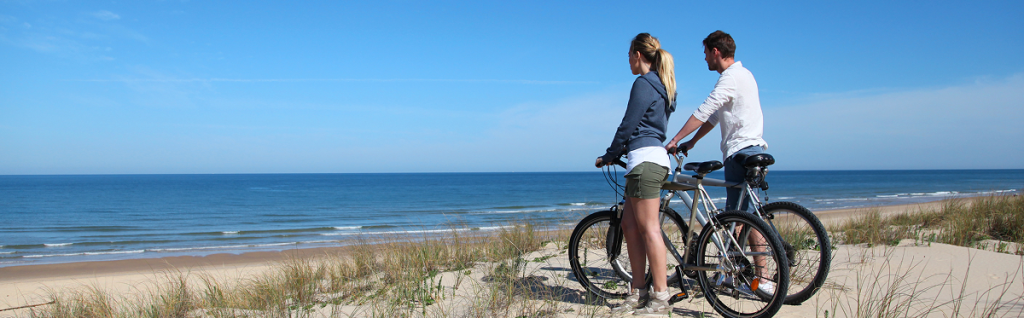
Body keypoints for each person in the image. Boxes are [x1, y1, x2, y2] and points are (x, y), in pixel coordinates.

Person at [665, 30, 773, 294]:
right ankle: (735, 276)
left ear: (716, 52)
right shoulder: (745, 75)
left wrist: (675, 139)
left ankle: (763, 280)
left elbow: (703, 112)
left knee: (738, 219)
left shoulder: (730, 78)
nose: (704, 59)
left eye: (705, 54)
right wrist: (692, 143)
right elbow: (714, 118)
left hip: (740, 152)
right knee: (745, 217)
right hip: (752, 147)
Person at [595, 32, 676, 316]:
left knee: (649, 228)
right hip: (644, 161)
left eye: (629, 55)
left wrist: (609, 154)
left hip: (645, 161)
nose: (627, 61)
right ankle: (638, 290)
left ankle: (661, 296)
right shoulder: (662, 83)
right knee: (630, 226)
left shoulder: (644, 83)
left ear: (637, 55)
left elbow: (628, 125)